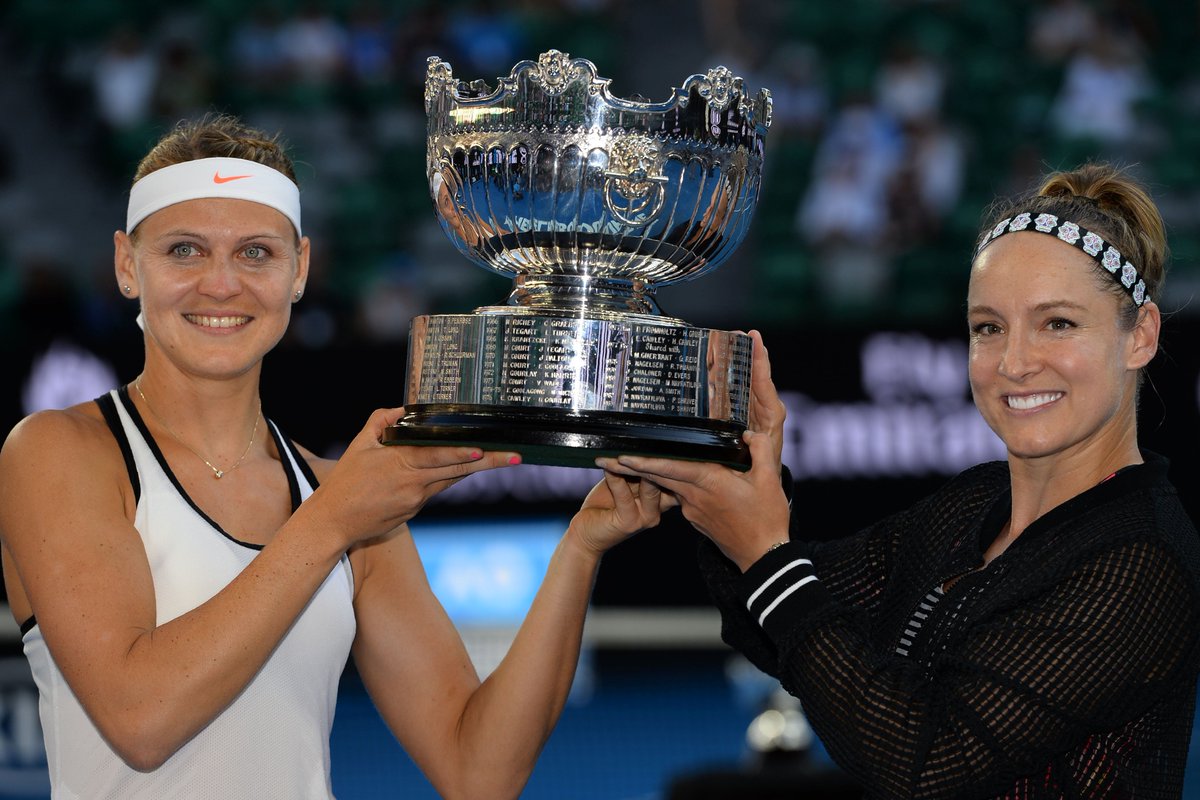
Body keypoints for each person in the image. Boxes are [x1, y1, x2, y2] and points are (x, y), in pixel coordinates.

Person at [0, 114, 667, 799]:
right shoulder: (57, 452)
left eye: (255, 252)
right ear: (126, 264)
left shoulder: (343, 499)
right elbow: (140, 720)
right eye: (184, 250)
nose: (221, 284)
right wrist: (332, 520)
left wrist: (581, 548)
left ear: (300, 269)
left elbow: (479, 772)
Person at [600, 162, 1200, 797]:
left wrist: (763, 553)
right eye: (988, 328)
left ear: (1140, 336)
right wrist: (733, 465)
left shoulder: (1143, 560)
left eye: (1058, 323)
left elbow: (927, 764)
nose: (1015, 362)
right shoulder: (973, 504)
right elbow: (783, 622)